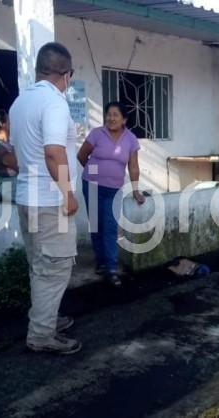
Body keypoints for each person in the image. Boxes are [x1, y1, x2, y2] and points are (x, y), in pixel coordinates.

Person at [9, 42, 81, 355]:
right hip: (50, 201)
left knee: (40, 264)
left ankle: (46, 318)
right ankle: (41, 334)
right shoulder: (55, 102)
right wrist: (68, 193)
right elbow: (53, 152)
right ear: (67, 75)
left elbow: (14, 155)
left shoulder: (20, 101)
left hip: (27, 197)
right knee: (55, 267)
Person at [77, 101, 145, 287]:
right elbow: (82, 155)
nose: (111, 118)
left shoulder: (130, 139)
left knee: (110, 226)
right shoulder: (97, 134)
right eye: (108, 114)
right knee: (96, 225)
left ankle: (111, 268)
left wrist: (136, 190)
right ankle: (101, 262)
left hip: (114, 189)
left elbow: (133, 167)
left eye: (115, 115)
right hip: (91, 185)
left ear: (124, 119)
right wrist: (94, 172)